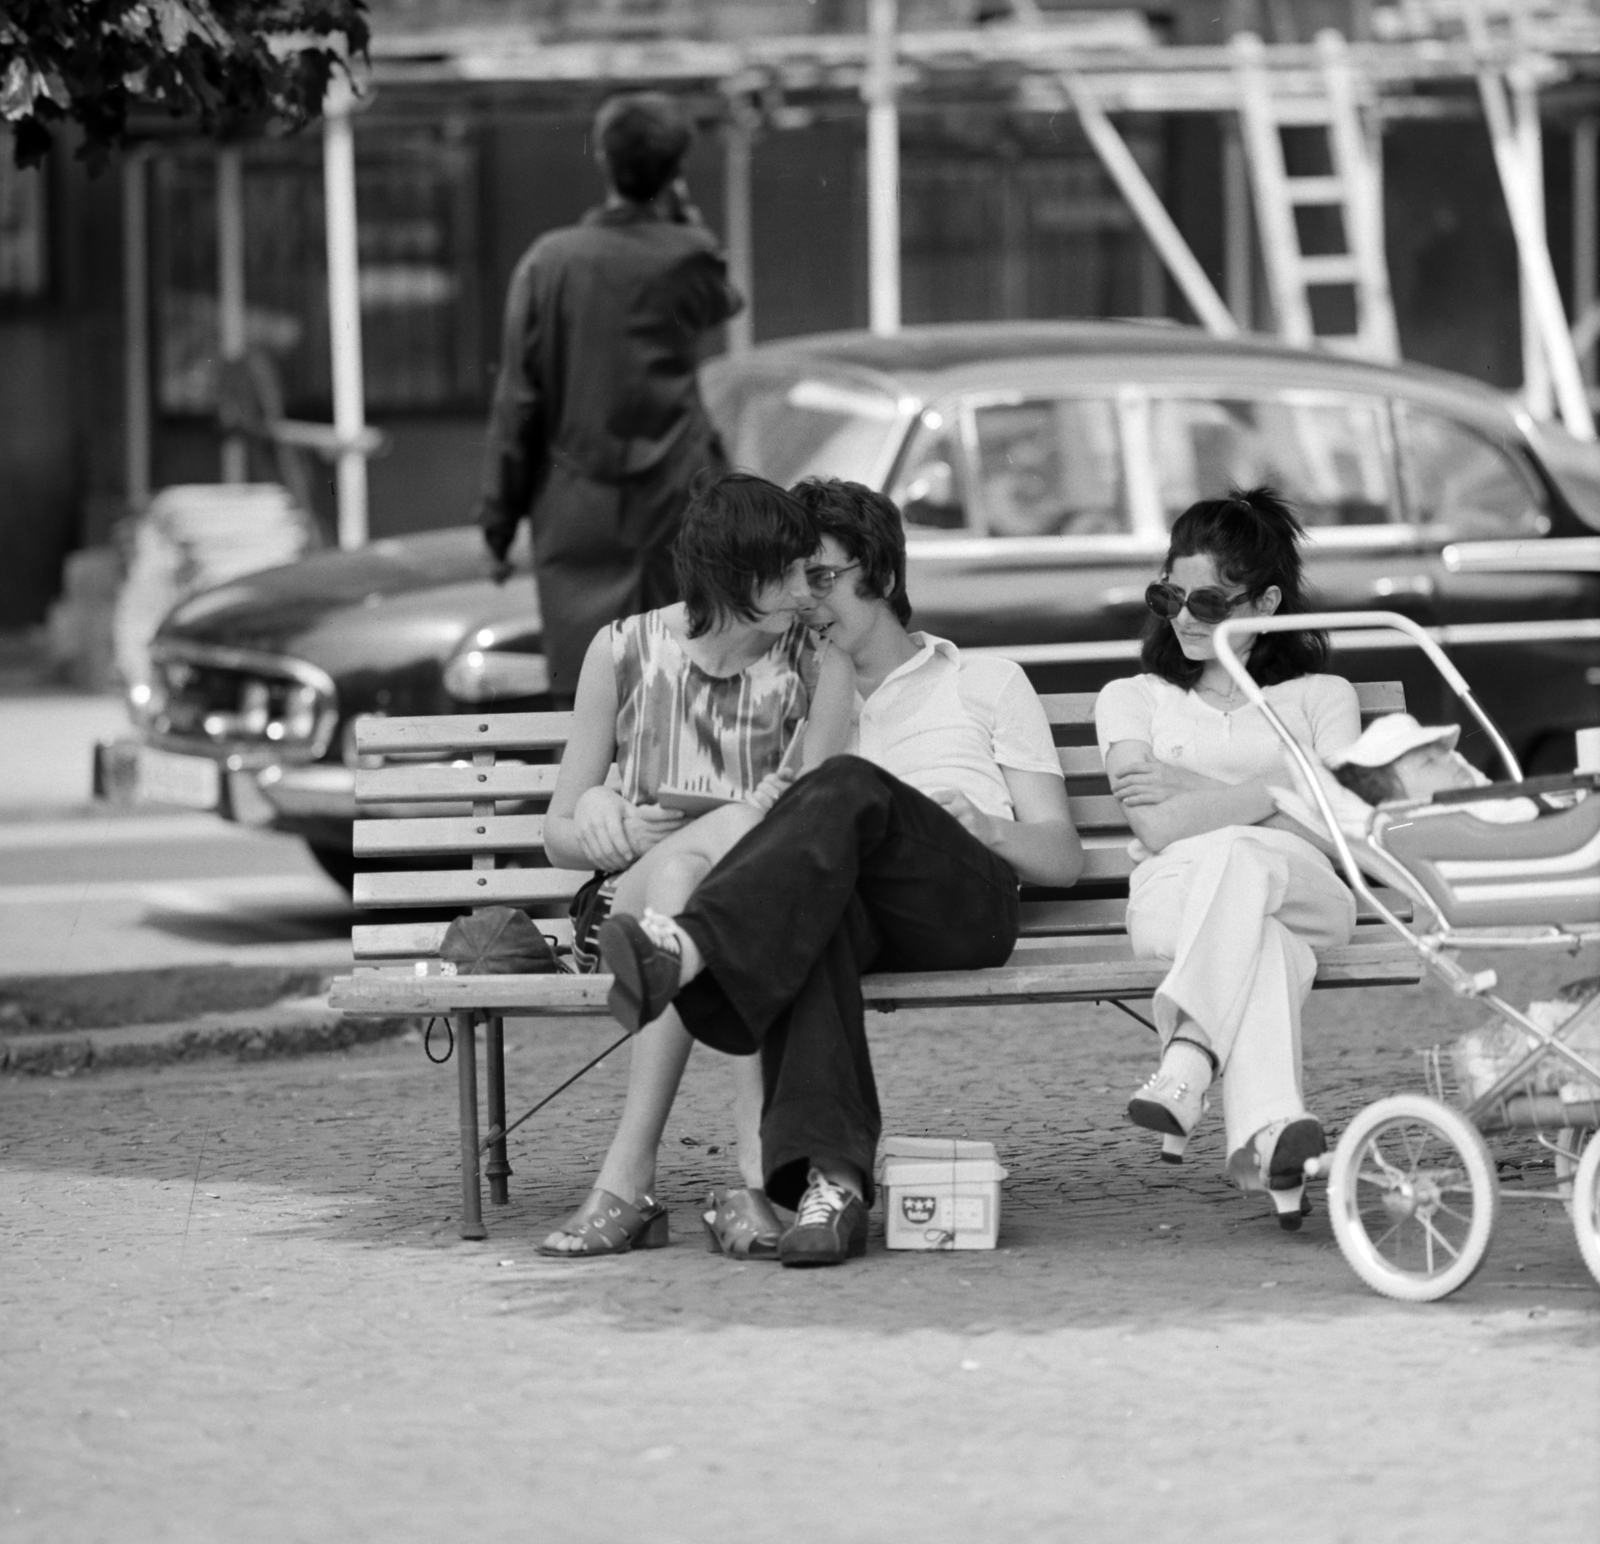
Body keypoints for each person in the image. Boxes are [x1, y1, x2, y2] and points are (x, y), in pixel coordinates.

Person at [594, 478, 1085, 1267]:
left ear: (881, 577)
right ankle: (833, 1184)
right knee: (806, 919)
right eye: (795, 580)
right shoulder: (799, 694)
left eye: (821, 577)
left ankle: (686, 951)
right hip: (856, 913)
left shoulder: (984, 681)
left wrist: (985, 825)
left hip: (963, 900)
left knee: (847, 786)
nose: (806, 599)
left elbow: (1062, 857)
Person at [539, 473, 853, 1258]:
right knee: (695, 897)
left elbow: (819, 807)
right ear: (732, 580)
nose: (801, 590)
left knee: (709, 893)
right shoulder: (623, 650)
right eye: (782, 574)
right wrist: (601, 823)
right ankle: (749, 1180)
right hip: (624, 908)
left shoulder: (816, 660)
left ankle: (625, 1185)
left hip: (743, 907)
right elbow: (558, 832)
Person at [1093, 486, 1362, 1228]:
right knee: (1261, 932)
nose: (1183, 616)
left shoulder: (1321, 697)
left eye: (1209, 602)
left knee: (1246, 863)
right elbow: (1153, 829)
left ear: (1266, 604)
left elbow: (1332, 830)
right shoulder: (1131, 697)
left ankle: (1188, 1061)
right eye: (1169, 596)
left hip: (1308, 888)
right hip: (1172, 900)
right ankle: (1270, 1134)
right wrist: (1282, 783)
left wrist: (1193, 790)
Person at [476, 92, 744, 702]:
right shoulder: (688, 256)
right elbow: (725, 302)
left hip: (578, 515)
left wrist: (498, 524)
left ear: (603, 159)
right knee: (686, 694)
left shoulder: (550, 262)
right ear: (676, 170)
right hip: (679, 510)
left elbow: (519, 402)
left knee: (588, 699)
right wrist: (683, 218)